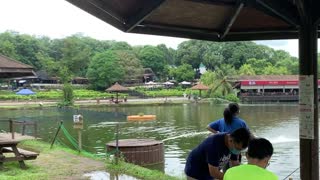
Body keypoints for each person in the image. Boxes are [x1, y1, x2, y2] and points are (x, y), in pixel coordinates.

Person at [185, 128, 251, 180]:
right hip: (195, 171)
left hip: (210, 171)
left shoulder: (234, 144)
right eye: (237, 149)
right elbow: (214, 173)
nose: (238, 152)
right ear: (231, 140)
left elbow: (235, 164)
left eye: (240, 150)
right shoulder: (213, 145)